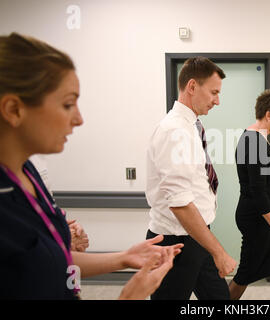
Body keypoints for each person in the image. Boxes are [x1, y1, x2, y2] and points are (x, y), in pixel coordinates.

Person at [0, 32, 183, 300]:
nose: (79, 119)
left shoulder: (28, 171)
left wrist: (123, 258)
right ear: (14, 110)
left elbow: (48, 262)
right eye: (67, 104)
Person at [146, 56, 237, 300]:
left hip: (197, 237)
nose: (217, 101)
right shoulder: (174, 131)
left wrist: (210, 247)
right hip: (175, 245)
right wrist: (219, 252)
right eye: (214, 92)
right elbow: (180, 202)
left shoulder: (191, 126)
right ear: (193, 86)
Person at [229, 89, 270, 300]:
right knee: (245, 273)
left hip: (262, 218)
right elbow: (258, 192)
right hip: (255, 218)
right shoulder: (252, 142)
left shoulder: (260, 138)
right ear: (268, 115)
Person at [30, 154, 89, 252]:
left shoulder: (36, 159)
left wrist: (64, 229)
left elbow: (43, 212)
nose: (67, 137)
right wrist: (58, 235)